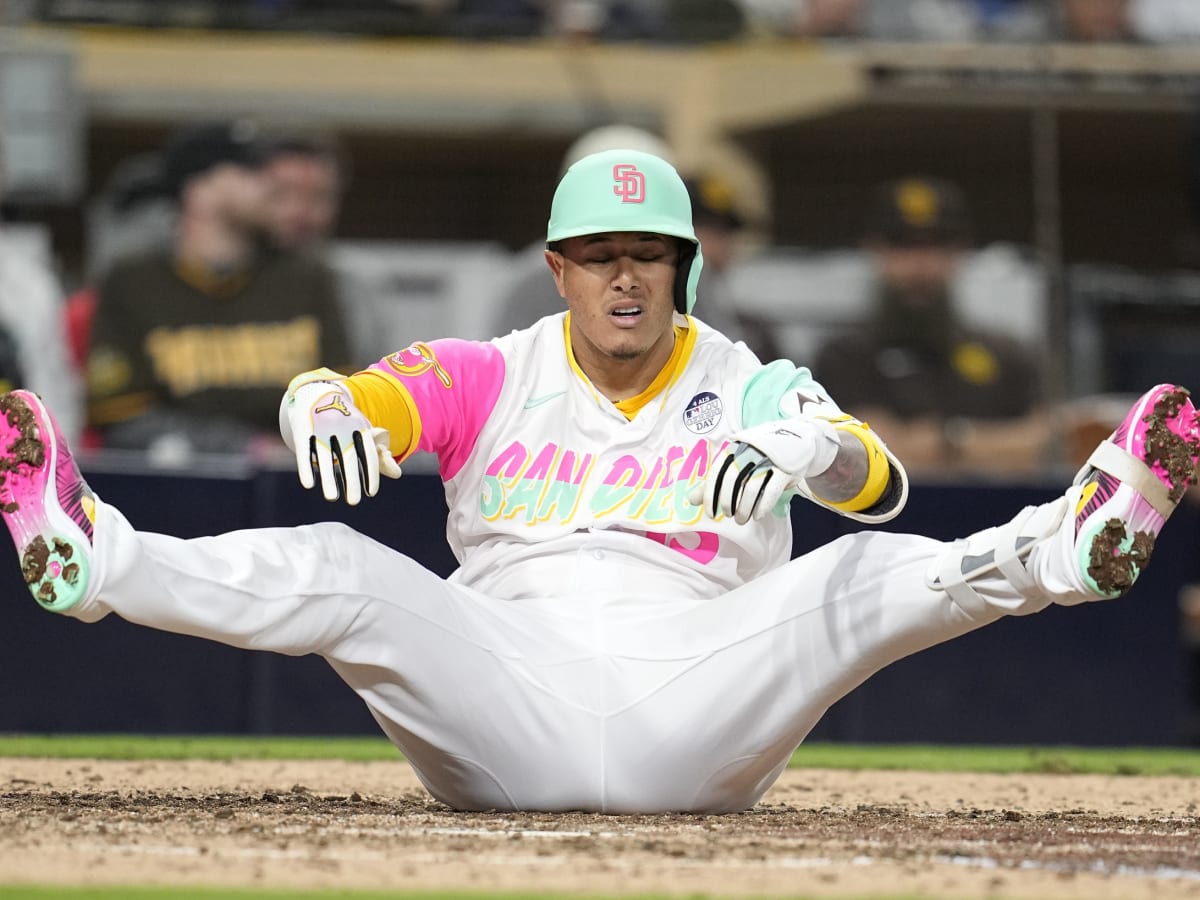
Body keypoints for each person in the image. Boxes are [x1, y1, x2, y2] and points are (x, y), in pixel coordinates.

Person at [3, 148, 1198, 815]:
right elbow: (365, 396)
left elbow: (877, 486)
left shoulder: (748, 379)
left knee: (860, 571)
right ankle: (90, 554)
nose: (625, 281)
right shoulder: (490, 368)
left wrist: (816, 447)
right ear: (557, 269)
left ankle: (1066, 546)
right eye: (600, 259)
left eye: (649, 259)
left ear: (682, 268)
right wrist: (315, 396)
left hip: (697, 688)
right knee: (340, 565)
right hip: (505, 693)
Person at [85, 120, 352, 460]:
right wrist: (243, 447)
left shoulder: (310, 277)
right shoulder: (132, 281)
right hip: (178, 485)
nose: (270, 183)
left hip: (298, 481)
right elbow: (119, 418)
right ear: (200, 190)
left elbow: (342, 400)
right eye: (250, 170)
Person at [814, 176, 1049, 476]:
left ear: (961, 251)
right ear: (875, 250)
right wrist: (992, 444)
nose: (920, 264)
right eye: (903, 246)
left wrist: (949, 440)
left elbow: (1040, 445)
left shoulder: (1006, 354)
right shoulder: (845, 356)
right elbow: (868, 448)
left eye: (937, 245)